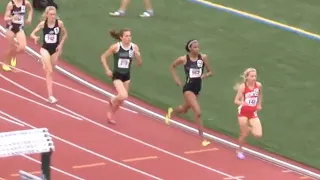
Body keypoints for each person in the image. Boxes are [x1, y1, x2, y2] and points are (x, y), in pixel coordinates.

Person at [166, 39, 213, 147]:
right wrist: (176, 79)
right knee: (197, 112)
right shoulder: (184, 59)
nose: (197, 49)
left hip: (197, 89)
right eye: (195, 47)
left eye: (198, 47)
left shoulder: (203, 57)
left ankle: (171, 111)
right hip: (188, 88)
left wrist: (204, 75)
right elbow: (172, 67)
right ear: (190, 48)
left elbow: (210, 71)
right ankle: (203, 138)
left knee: (184, 109)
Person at [100, 28, 142, 124]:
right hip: (117, 75)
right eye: (126, 36)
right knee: (123, 95)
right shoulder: (116, 47)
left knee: (121, 101)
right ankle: (112, 99)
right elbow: (103, 57)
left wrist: (138, 56)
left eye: (130, 35)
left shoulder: (134, 47)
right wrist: (107, 69)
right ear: (121, 37)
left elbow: (139, 64)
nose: (129, 38)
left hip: (126, 75)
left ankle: (110, 114)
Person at [30, 6, 67, 103]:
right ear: (46, 15)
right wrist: (35, 37)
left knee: (50, 69)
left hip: (55, 50)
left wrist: (61, 45)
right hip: (45, 49)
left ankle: (44, 62)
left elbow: (65, 35)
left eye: (54, 14)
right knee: (49, 71)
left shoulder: (59, 24)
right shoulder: (43, 24)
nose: (53, 16)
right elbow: (32, 33)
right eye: (51, 14)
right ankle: (50, 96)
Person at [233, 68, 263, 159]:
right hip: (243, 112)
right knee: (244, 134)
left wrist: (259, 104)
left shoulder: (258, 85)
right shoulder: (243, 87)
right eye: (252, 76)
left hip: (253, 113)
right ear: (247, 77)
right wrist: (242, 103)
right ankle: (239, 150)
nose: (254, 78)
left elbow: (260, 94)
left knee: (258, 134)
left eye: (255, 76)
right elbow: (235, 101)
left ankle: (248, 129)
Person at [3, 0, 33, 71]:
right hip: (10, 28)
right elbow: (5, 18)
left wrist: (29, 18)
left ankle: (13, 55)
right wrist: (12, 18)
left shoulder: (25, 3)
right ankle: (6, 63)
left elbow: (30, 10)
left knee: (22, 47)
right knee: (12, 47)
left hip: (19, 28)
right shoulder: (11, 4)